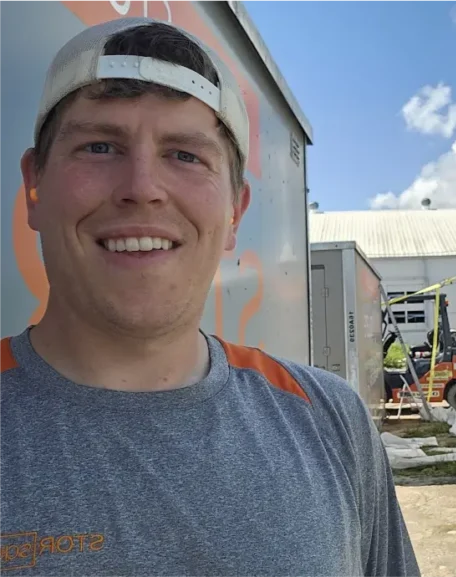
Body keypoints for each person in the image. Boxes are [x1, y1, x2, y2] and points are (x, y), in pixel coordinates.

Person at [0, 17, 420, 577]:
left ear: (234, 215)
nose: (142, 188)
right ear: (34, 187)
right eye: (99, 146)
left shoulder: (328, 418)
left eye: (185, 155)